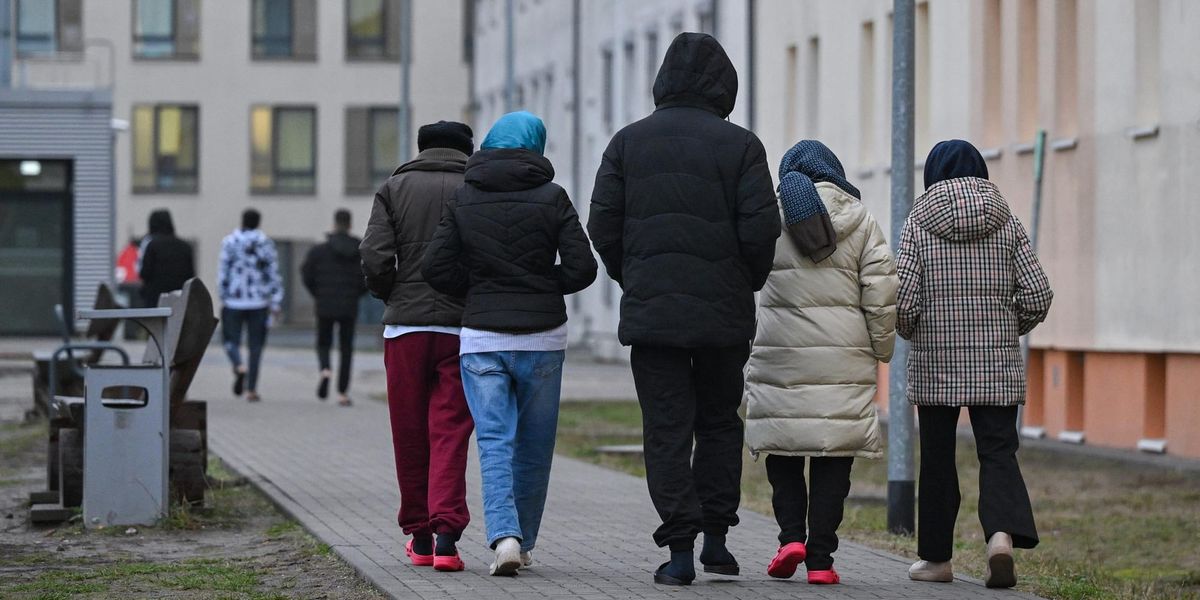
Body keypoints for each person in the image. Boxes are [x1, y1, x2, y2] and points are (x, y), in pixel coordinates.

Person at [587, 32, 781, 586]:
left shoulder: (627, 144)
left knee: (666, 428)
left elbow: (603, 225)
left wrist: (637, 277)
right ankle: (717, 540)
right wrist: (745, 281)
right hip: (723, 316)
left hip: (654, 318)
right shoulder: (742, 146)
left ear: (663, 79)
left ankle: (678, 551)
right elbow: (761, 229)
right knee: (719, 422)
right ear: (724, 85)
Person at [422, 111, 596, 577]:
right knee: (535, 447)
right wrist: (541, 283)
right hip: (543, 338)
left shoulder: (464, 197)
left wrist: (478, 290)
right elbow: (583, 268)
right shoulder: (553, 197)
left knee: (494, 442)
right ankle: (526, 540)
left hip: (481, 337)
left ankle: (506, 537)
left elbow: (435, 268)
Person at [898, 139, 1053, 588]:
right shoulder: (1006, 221)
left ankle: (936, 560)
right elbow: (1038, 294)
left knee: (938, 459)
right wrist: (1009, 328)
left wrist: (916, 332)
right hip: (996, 361)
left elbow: (903, 302)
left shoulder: (918, 222)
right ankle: (1000, 537)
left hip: (937, 363)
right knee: (998, 452)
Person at [743, 141, 897, 585]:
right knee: (834, 456)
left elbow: (745, 274)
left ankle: (790, 537)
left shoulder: (771, 217)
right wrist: (881, 350)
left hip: (780, 356)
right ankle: (822, 561)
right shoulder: (862, 220)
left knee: (784, 446)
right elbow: (882, 292)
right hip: (843, 359)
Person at [360, 120, 476, 572]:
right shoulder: (476, 186)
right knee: (450, 432)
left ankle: (421, 538)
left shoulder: (394, 187)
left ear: (422, 148)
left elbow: (374, 254)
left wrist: (390, 293)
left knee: (409, 433)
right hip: (461, 329)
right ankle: (447, 538)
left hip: (405, 329)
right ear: (468, 149)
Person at [301, 209, 367, 406]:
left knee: (323, 342)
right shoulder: (359, 249)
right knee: (346, 348)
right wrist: (356, 294)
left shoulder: (319, 251)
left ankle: (325, 369)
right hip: (349, 305)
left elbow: (306, 275)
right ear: (350, 224)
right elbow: (368, 276)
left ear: (334, 223)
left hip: (325, 304)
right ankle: (342, 393)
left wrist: (318, 294)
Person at [218, 208, 284, 402]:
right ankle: (251, 390)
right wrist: (276, 300)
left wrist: (223, 295)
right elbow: (273, 272)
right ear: (258, 222)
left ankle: (239, 365)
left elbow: (223, 271)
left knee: (230, 340)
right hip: (259, 301)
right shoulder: (265, 243)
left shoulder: (229, 242)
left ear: (242, 221)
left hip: (234, 300)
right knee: (256, 346)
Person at [138, 210, 195, 307]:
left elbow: (144, 273)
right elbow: (191, 275)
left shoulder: (152, 246)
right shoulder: (185, 247)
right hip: (179, 301)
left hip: (155, 301)